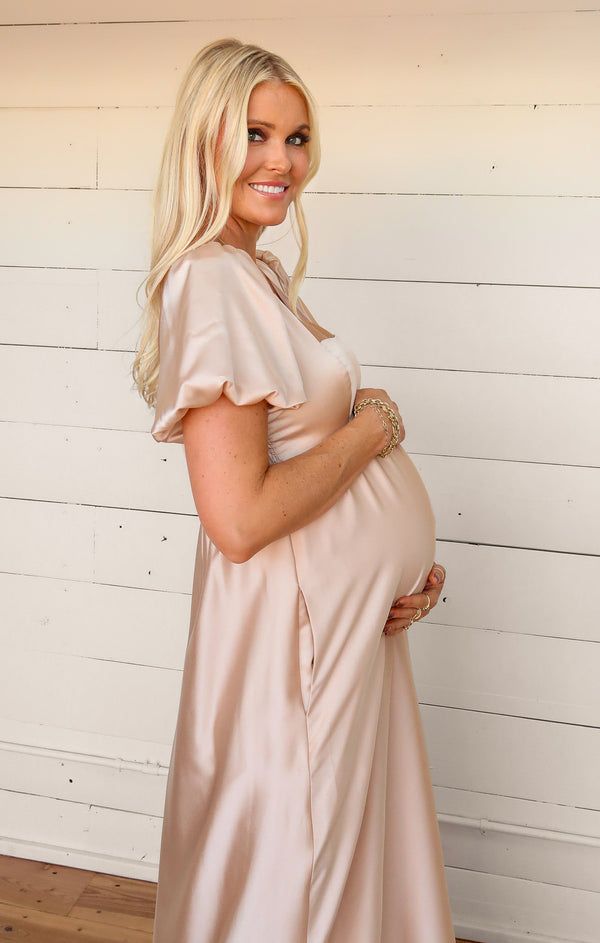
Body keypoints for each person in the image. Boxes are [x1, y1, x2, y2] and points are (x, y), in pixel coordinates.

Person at [132, 36, 455, 943]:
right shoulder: (209, 281)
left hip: (341, 631)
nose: (283, 160)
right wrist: (371, 432)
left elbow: (308, 439)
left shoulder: (257, 274)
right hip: (293, 648)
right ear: (207, 141)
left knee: (343, 858)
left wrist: (396, 568)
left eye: (299, 136)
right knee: (300, 869)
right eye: (257, 133)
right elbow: (238, 520)